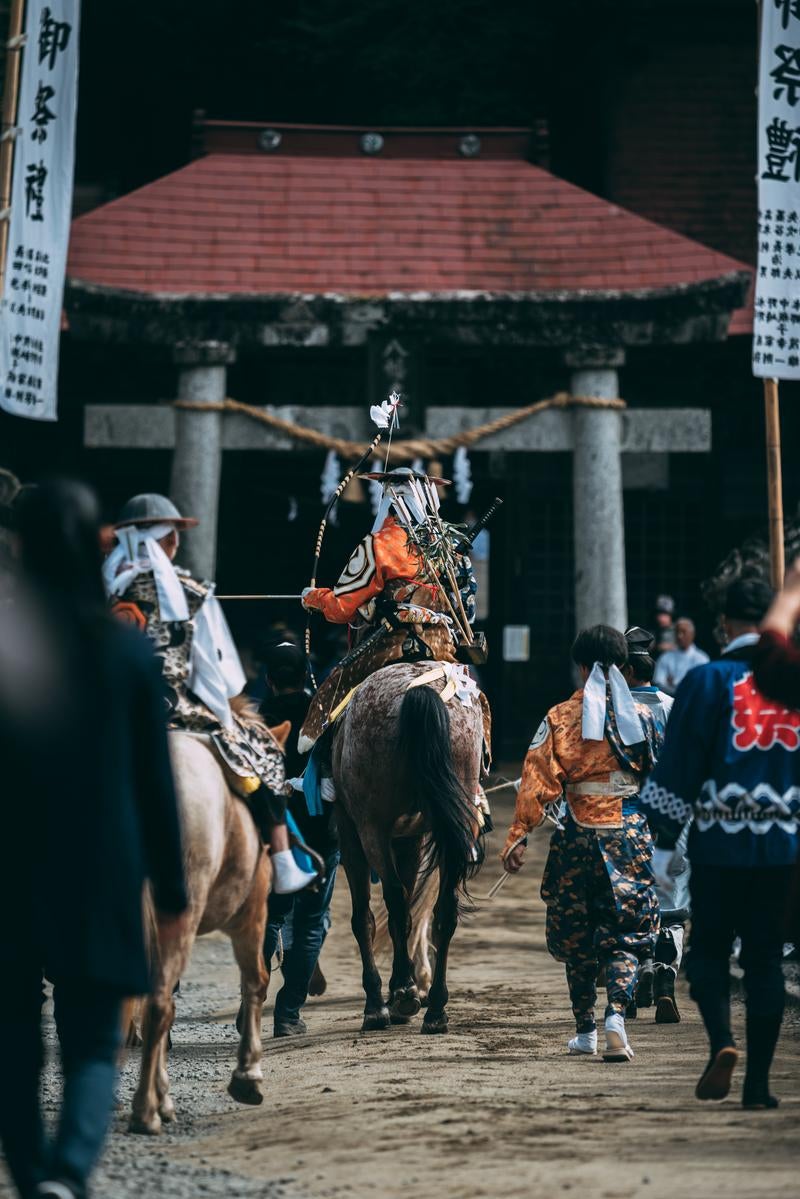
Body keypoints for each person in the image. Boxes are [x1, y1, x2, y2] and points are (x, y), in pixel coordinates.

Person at [0, 480, 188, 1199]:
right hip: (101, 866)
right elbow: (155, 781)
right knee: (92, 1042)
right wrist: (171, 889)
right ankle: (68, 1175)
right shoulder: (124, 652)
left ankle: (30, 1176)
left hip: (11, 866)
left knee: (13, 1043)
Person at [639, 577, 800, 1109]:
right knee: (765, 963)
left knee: (707, 954)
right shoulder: (794, 683)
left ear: (724, 623)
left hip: (718, 845)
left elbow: (679, 767)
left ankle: (721, 1043)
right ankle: (758, 1087)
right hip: (782, 847)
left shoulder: (707, 680)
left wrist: (662, 844)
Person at [103, 493, 314, 895]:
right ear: (170, 541)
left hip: (107, 712)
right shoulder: (191, 591)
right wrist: (225, 715)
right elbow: (222, 676)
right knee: (264, 755)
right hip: (175, 710)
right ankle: (284, 863)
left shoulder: (101, 589)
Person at [502, 625, 662, 1063]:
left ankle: (584, 1029)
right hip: (629, 836)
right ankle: (616, 1017)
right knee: (625, 934)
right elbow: (666, 779)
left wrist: (518, 835)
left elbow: (536, 778)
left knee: (577, 933)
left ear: (581, 666)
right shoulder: (645, 719)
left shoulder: (559, 717)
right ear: (625, 666)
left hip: (576, 837)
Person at [299, 465, 488, 754]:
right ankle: (476, 781)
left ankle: (324, 775)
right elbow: (468, 614)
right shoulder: (450, 548)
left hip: (390, 646)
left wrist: (314, 598)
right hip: (442, 650)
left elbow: (340, 608)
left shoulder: (379, 545)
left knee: (331, 694)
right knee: (477, 703)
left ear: (388, 501)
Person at [259, 642, 340, 1036]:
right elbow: (335, 783)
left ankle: (251, 999)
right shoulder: (325, 716)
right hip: (317, 837)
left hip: (265, 838)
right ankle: (288, 1014)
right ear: (307, 676)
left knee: (267, 919)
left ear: (269, 680)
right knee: (309, 924)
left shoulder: (256, 720)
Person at [623, 626, 687, 1023]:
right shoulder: (672, 706)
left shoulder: (608, 708)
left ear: (626, 668)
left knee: (627, 901)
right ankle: (665, 979)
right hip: (672, 816)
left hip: (624, 815)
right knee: (673, 902)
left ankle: (634, 977)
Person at [653, 616, 709, 696]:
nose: (679, 636)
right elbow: (659, 683)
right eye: (677, 632)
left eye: (683, 632)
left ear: (692, 634)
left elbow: (702, 684)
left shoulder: (702, 659)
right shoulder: (665, 657)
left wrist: (673, 683)